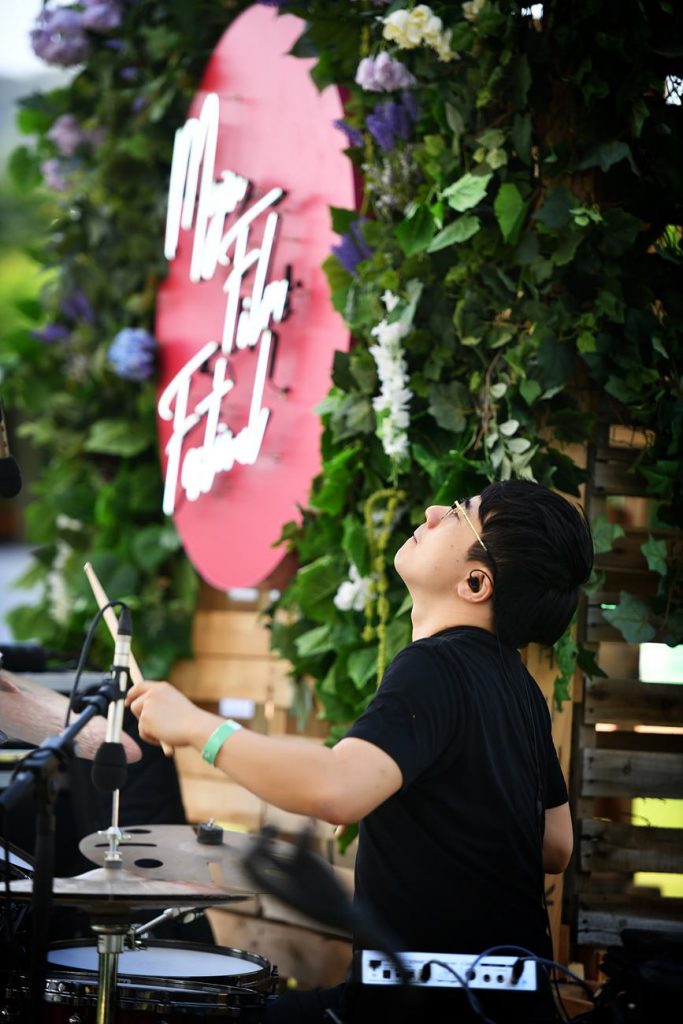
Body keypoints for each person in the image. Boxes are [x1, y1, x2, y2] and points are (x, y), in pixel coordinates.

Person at [125, 480, 593, 1023]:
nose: (433, 510)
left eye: (458, 513)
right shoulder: (520, 688)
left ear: (475, 582)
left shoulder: (433, 667)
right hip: (512, 1004)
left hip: (420, 1004)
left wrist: (196, 727)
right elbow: (555, 844)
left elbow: (337, 788)